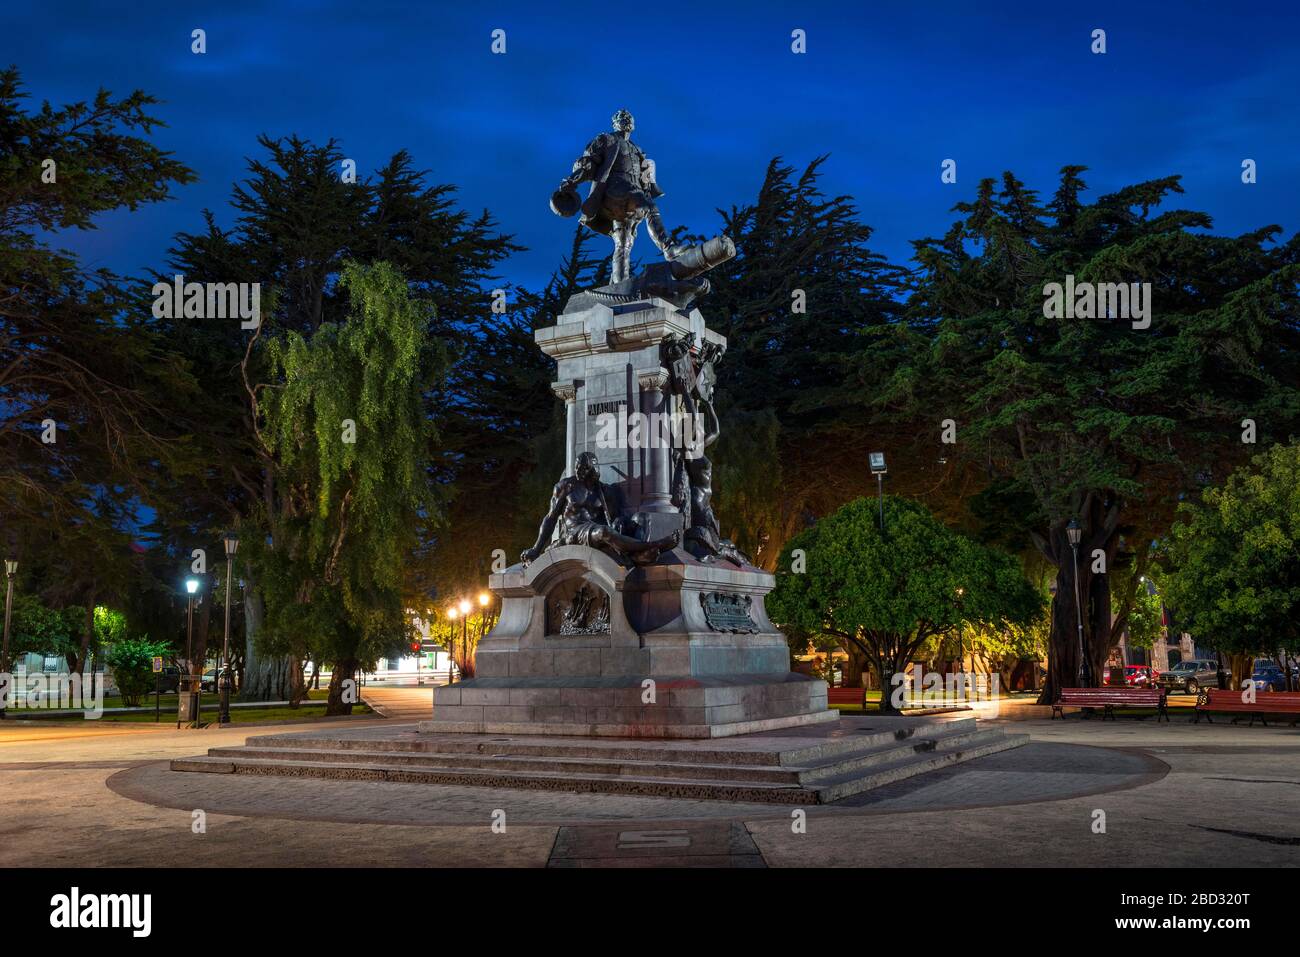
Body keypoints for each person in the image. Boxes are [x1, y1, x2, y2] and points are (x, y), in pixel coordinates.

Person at [521, 452, 679, 565]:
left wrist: (621, 522)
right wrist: (536, 549)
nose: (578, 472)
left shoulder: (604, 491)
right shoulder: (566, 486)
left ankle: (637, 557)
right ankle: (653, 545)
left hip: (594, 531)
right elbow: (550, 518)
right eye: (577, 468)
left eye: (583, 469)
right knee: (604, 532)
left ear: (593, 469)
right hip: (574, 532)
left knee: (638, 520)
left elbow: (613, 518)